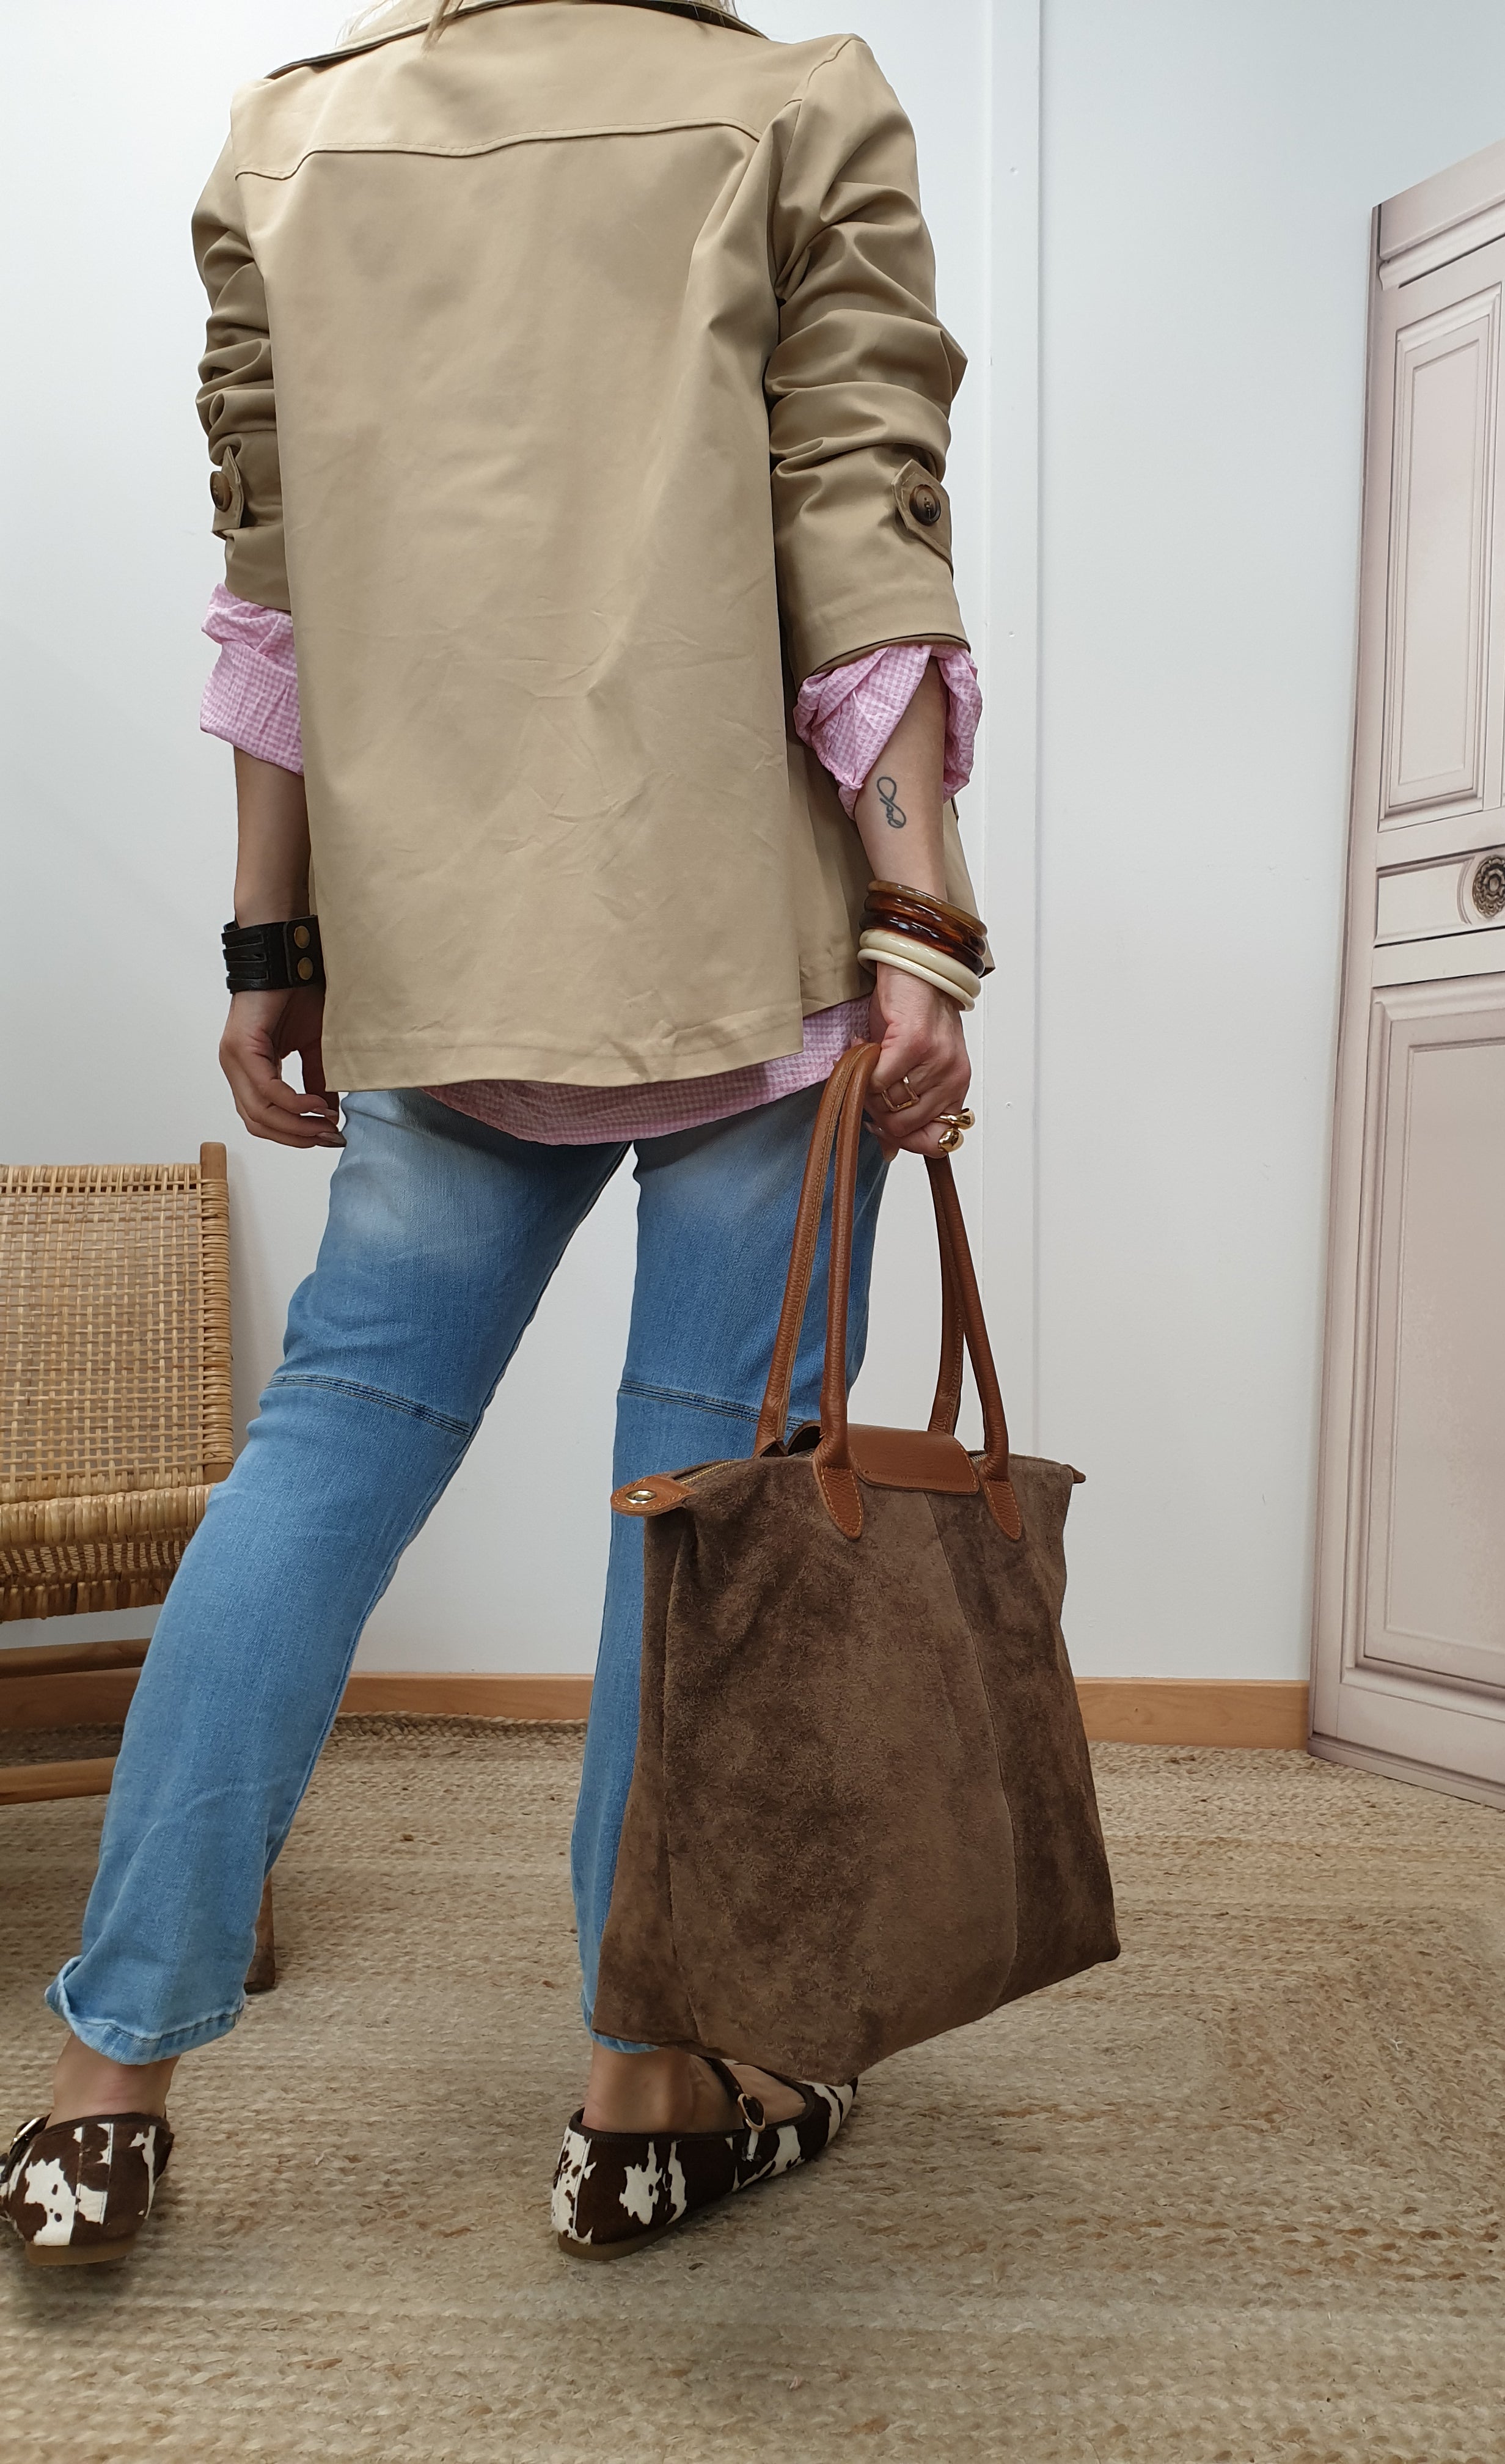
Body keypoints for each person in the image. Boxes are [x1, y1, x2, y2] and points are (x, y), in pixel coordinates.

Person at [3, 0, 990, 2267]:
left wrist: (273, 946)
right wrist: (923, 922)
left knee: (321, 1457)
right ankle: (644, 2093)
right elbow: (861, 527)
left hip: (442, 961)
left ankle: (97, 2096)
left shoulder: (285, 144)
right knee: (701, 1514)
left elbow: (271, 592)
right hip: (750, 957)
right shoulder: (796, 103)